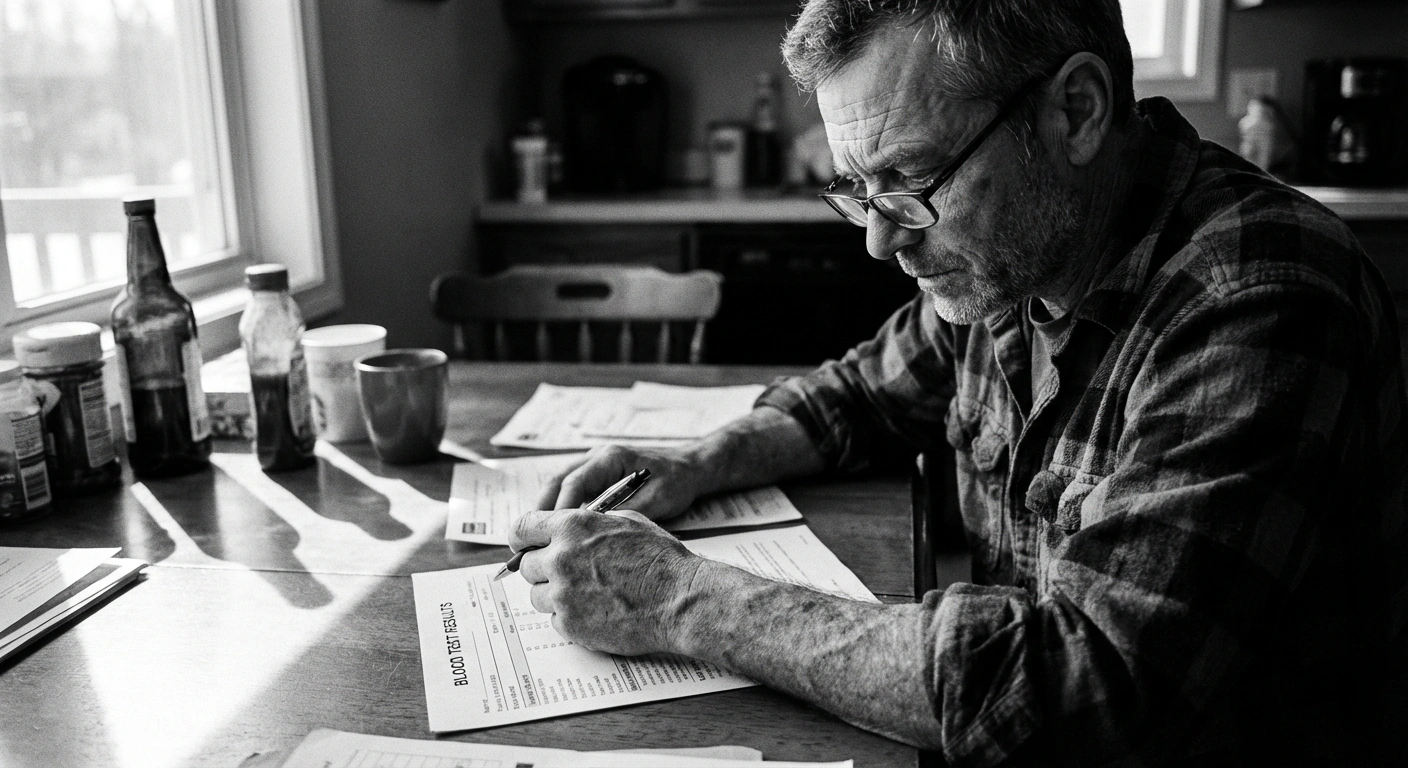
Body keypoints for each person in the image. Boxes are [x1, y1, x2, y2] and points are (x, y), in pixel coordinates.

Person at [510, 1, 1408, 763]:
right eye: (858, 188)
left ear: (1077, 111)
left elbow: (1092, 684)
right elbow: (861, 393)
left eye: (910, 179)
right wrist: (697, 461)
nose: (879, 238)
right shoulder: (1022, 255)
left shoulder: (1261, 296)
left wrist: (680, 595)